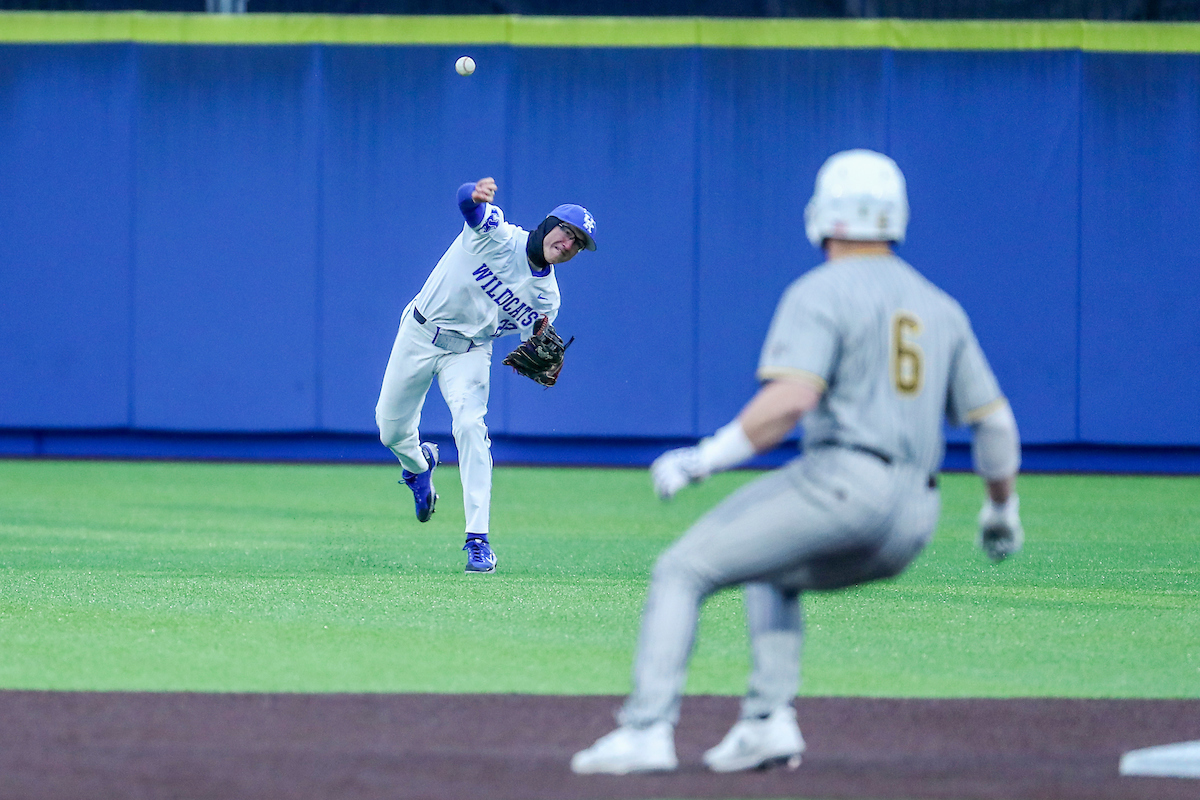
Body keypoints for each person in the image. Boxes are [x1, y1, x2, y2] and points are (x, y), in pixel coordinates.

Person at [570, 149, 1023, 775]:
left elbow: (791, 398)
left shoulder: (821, 291)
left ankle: (647, 729)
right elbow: (993, 423)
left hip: (842, 483)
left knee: (681, 570)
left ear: (827, 215)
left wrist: (705, 458)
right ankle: (767, 721)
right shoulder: (939, 305)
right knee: (771, 565)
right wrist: (1002, 510)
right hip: (917, 515)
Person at [375, 177, 597, 574]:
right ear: (549, 224)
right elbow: (468, 205)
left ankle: (478, 540)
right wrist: (471, 194)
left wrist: (543, 350)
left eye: (578, 243)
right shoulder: (497, 232)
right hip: (421, 332)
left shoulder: (548, 297)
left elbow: (538, 334)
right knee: (389, 431)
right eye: (567, 231)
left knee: (471, 426)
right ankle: (418, 467)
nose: (568, 244)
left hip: (471, 352)